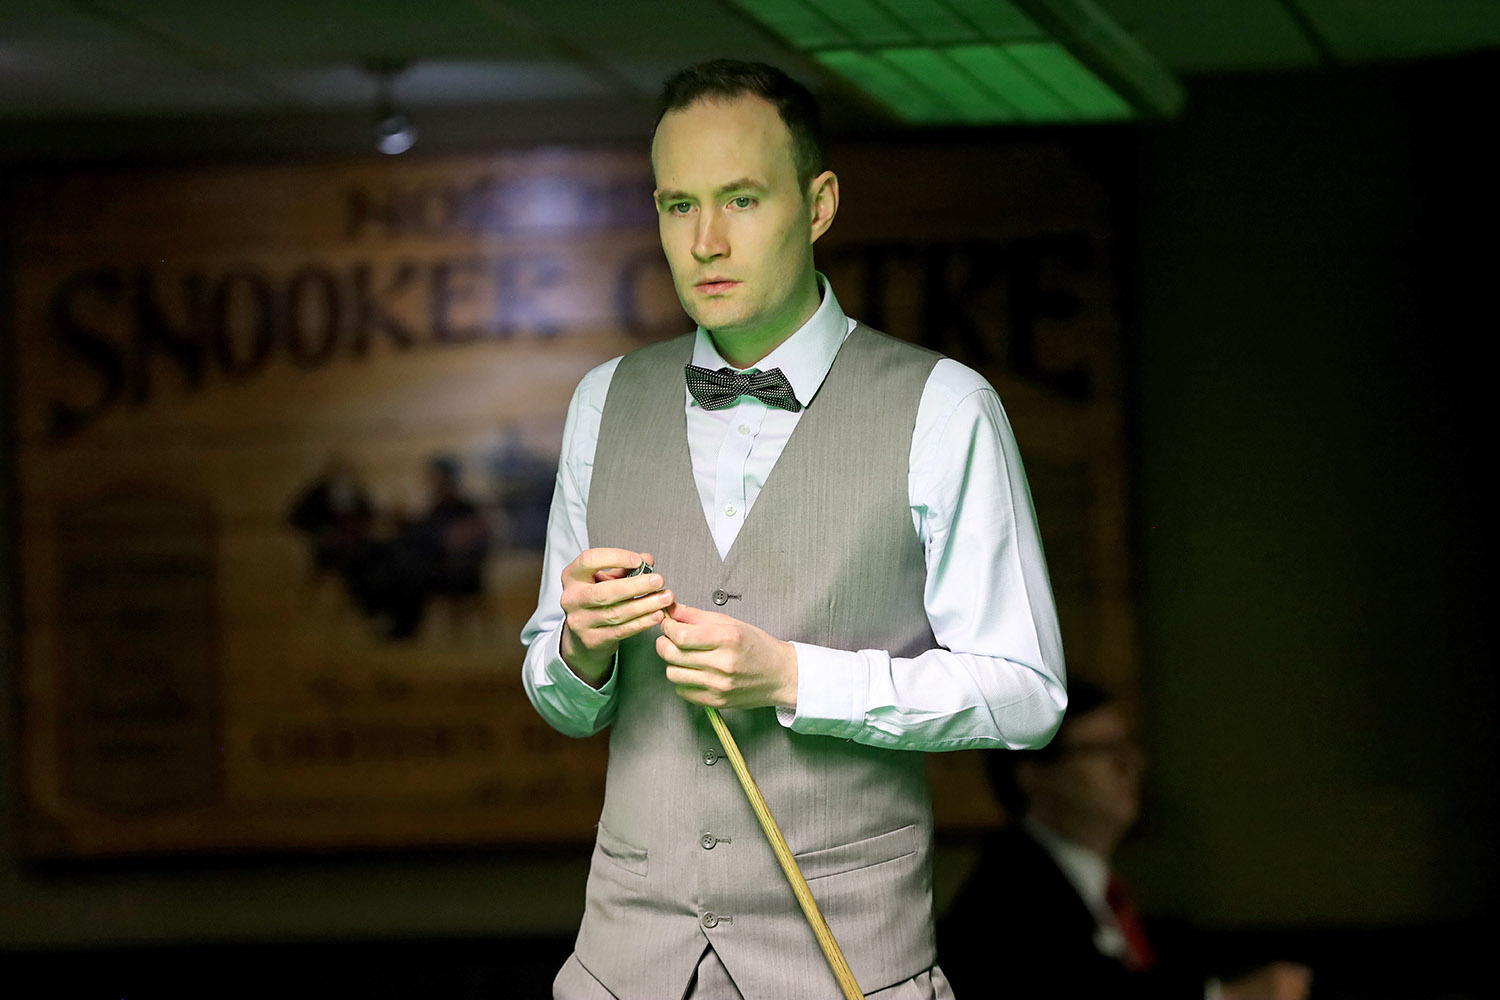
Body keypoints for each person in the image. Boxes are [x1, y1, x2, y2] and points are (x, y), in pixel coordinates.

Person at [520, 58, 1067, 1000]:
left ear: (818, 205)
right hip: (622, 969)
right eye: (679, 205)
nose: (706, 242)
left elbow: (1028, 694)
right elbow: (561, 700)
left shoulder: (945, 407)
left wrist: (794, 678)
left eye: (741, 199)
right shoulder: (602, 403)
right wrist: (580, 649)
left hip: (847, 965)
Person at [939, 681, 1313, 1000]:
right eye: (1103, 750)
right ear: (1033, 774)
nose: (1130, 764)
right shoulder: (1011, 893)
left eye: (1129, 745)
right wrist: (1225, 996)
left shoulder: (1098, 889)